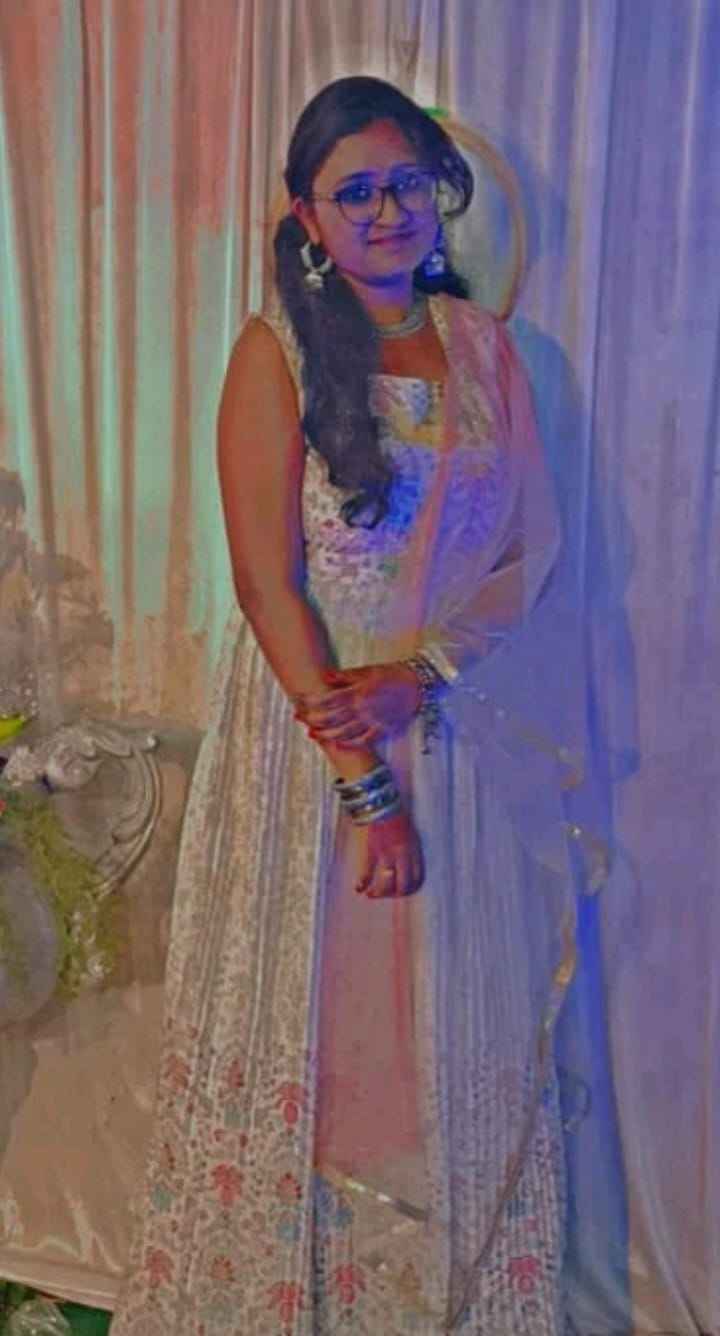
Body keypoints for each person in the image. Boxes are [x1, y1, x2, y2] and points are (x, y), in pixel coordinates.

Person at [109, 75, 597, 1335]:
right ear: (307, 215)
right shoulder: (273, 353)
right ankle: (287, 1297)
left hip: (454, 730)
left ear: (441, 193)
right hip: (313, 741)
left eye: (406, 184)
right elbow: (266, 585)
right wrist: (365, 786)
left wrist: (424, 676)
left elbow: (527, 553)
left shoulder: (490, 352)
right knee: (322, 1030)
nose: (387, 211)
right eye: (355, 191)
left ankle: (446, 1298)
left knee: (441, 1031)